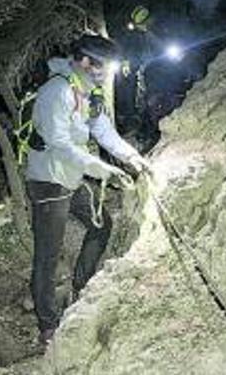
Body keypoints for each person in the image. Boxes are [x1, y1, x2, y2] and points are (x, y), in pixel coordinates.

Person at [25, 35, 150, 345]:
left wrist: (132, 157)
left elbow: (102, 130)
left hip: (71, 176)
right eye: (102, 66)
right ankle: (48, 325)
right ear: (84, 61)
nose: (105, 73)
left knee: (102, 225)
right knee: (47, 256)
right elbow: (60, 144)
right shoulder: (57, 92)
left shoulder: (88, 91)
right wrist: (103, 169)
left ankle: (81, 288)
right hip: (48, 181)